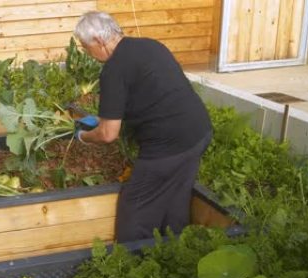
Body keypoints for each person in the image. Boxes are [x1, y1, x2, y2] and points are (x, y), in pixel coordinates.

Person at [72, 11, 213, 243]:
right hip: (198, 132)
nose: (88, 53)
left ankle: (133, 259)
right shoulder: (149, 46)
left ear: (99, 41)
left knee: (136, 205)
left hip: (167, 146)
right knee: (176, 194)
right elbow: (150, 95)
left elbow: (108, 135)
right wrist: (102, 119)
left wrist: (84, 137)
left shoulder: (114, 69)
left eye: (86, 47)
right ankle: (174, 250)